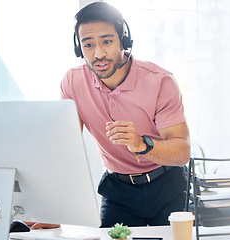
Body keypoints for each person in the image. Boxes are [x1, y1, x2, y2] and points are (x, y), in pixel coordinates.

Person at [35, 1, 190, 228]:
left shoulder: (160, 81)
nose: (98, 54)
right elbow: (65, 150)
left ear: (123, 41)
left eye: (107, 41)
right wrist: (52, 212)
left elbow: (182, 152)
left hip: (168, 186)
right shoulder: (73, 82)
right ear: (79, 49)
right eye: (88, 45)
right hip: (118, 192)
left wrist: (142, 144)